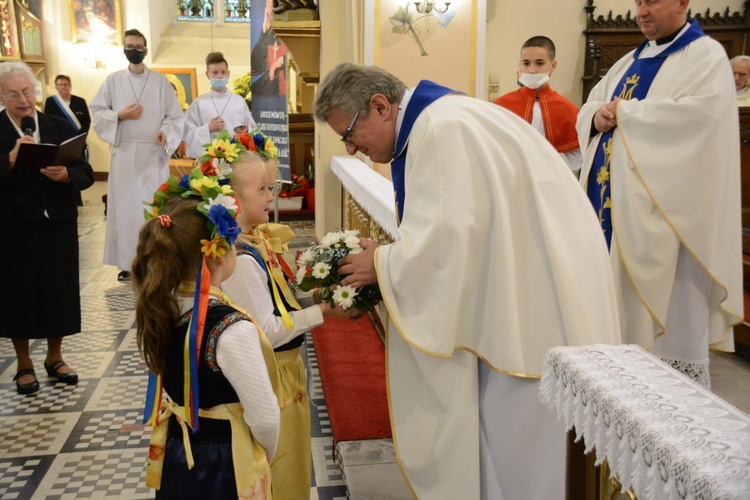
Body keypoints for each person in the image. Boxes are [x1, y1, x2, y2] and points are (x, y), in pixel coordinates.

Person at [313, 62, 621, 499]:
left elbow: (447, 244)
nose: (350, 149)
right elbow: (457, 229)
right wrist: (391, 254)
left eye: (349, 134)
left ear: (380, 106)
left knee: (523, 446)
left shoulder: (439, 129)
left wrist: (380, 263)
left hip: (533, 312)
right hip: (534, 287)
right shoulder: (442, 118)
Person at [577, 0, 742, 388]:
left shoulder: (706, 57)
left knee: (666, 359)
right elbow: (592, 105)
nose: (641, 11)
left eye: (651, 1)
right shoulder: (628, 62)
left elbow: (701, 121)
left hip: (670, 225)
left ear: (683, 2)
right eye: (637, 2)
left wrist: (628, 114)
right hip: (615, 217)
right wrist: (597, 114)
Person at [133, 174, 279, 499]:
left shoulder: (160, 306)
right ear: (215, 254)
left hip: (178, 456)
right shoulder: (232, 328)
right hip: (225, 465)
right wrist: (264, 453)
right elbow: (266, 419)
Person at [222, 143, 355, 498]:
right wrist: (322, 312)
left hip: (284, 374)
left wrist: (314, 297)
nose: (271, 196)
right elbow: (266, 331)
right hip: (272, 376)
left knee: (293, 465)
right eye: (262, 188)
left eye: (271, 187)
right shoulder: (242, 260)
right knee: (282, 468)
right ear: (232, 198)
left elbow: (282, 302)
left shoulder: (254, 243)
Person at [0, 61, 94, 394]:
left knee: (59, 290)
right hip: (13, 224)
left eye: (27, 91)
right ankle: (23, 363)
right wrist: (10, 161)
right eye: (13, 94)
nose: (22, 99)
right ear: (2, 95)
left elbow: (85, 170)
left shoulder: (58, 126)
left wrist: (67, 176)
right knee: (18, 292)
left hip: (57, 220)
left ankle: (55, 357)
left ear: (36, 93)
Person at [90, 28, 184, 282]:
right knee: (126, 210)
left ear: (145, 50)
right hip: (124, 153)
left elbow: (174, 116)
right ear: (124, 48)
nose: (134, 50)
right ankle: (128, 262)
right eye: (130, 46)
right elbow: (97, 112)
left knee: (154, 207)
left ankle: (155, 257)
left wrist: (166, 132)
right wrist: (120, 116)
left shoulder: (161, 82)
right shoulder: (113, 81)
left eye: (139, 47)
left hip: (153, 154)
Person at [494, 36, 582, 173]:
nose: (532, 70)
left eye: (539, 63)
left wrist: (543, 164)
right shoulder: (502, 105)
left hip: (552, 179)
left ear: (553, 66)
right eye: (526, 63)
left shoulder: (568, 108)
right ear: (520, 64)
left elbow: (577, 156)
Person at [183, 52, 256, 159]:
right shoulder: (199, 103)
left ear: (228, 73)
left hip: (237, 159)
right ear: (207, 74)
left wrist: (247, 130)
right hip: (210, 161)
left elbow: (253, 128)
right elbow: (187, 132)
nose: (220, 76)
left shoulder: (239, 101)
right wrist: (208, 129)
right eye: (215, 73)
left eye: (223, 72)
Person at [44, 74, 92, 206]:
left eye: (65, 84)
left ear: (70, 86)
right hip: (59, 142)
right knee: (61, 169)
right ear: (56, 87)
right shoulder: (51, 101)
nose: (63, 87)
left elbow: (86, 121)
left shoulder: (79, 101)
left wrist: (80, 138)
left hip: (76, 142)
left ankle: (77, 199)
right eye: (60, 85)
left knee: (75, 169)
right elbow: (47, 120)